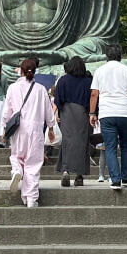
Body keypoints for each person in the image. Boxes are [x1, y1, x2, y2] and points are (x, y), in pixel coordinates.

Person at [89, 44, 127, 191]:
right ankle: (126, 176)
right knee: (126, 145)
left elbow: (94, 93)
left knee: (110, 147)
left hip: (107, 113)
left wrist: (92, 113)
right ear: (120, 55)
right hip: (125, 112)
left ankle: (115, 179)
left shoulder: (99, 71)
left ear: (106, 56)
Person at [4, 58, 55, 207]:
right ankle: (31, 198)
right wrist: (51, 128)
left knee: (16, 155)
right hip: (36, 129)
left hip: (18, 129)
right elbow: (48, 111)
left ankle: (16, 170)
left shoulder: (12, 88)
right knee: (33, 163)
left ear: (21, 70)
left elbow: (7, 111)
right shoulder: (41, 89)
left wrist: (3, 127)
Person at [53, 56, 93, 187]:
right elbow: (92, 99)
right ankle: (79, 175)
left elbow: (58, 99)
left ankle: (65, 169)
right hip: (83, 113)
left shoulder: (63, 80)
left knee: (67, 141)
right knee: (82, 143)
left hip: (66, 112)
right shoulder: (88, 82)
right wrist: (93, 113)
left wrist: (58, 112)